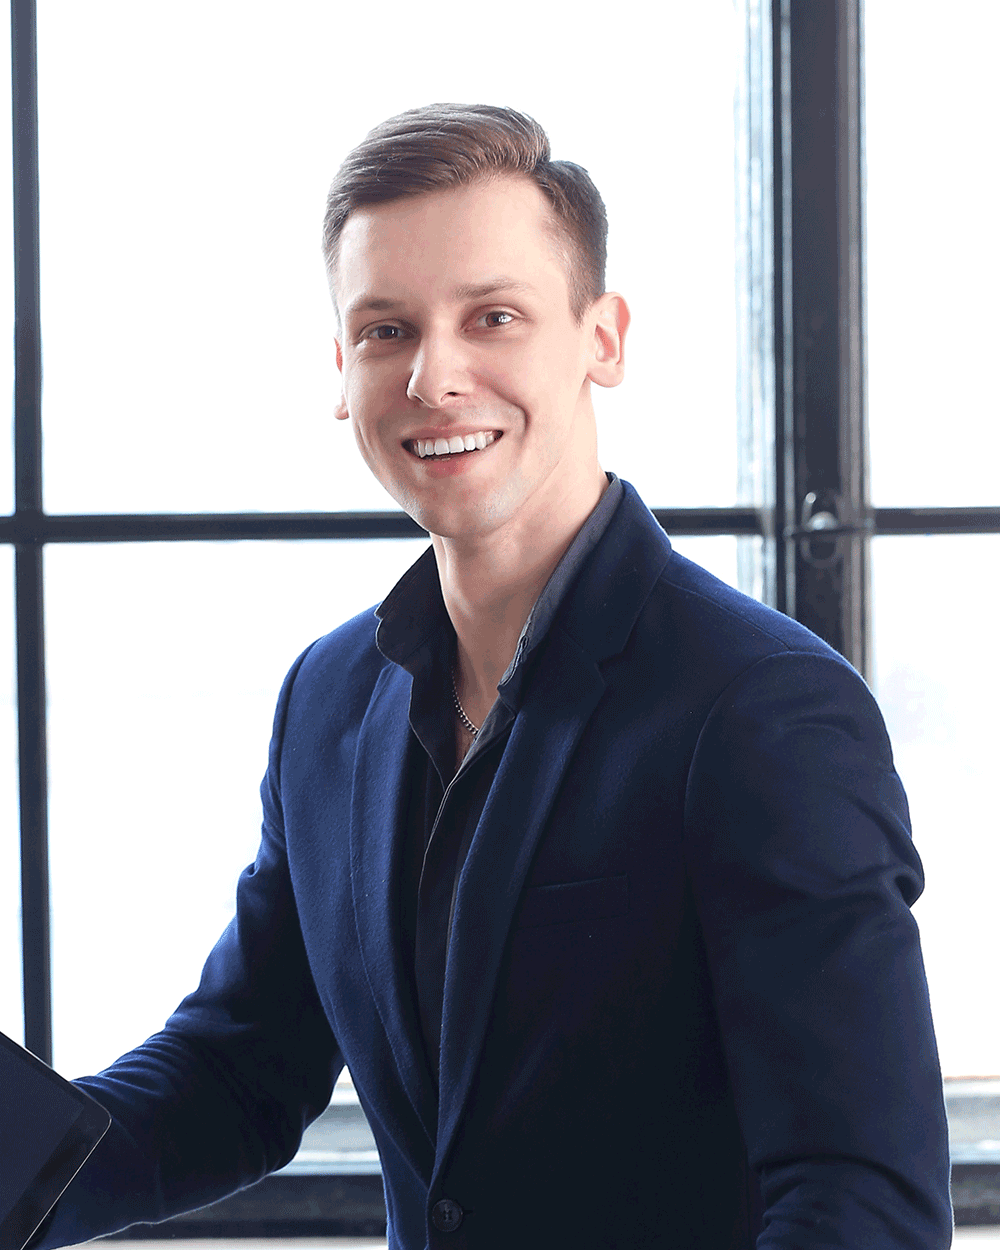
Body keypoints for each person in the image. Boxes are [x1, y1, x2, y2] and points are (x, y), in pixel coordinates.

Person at [35, 104, 952, 1249]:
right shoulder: (327, 702)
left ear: (601, 338)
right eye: (384, 330)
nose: (434, 374)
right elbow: (237, 1069)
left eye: (494, 316)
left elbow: (861, 1206)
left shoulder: (760, 710)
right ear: (340, 369)